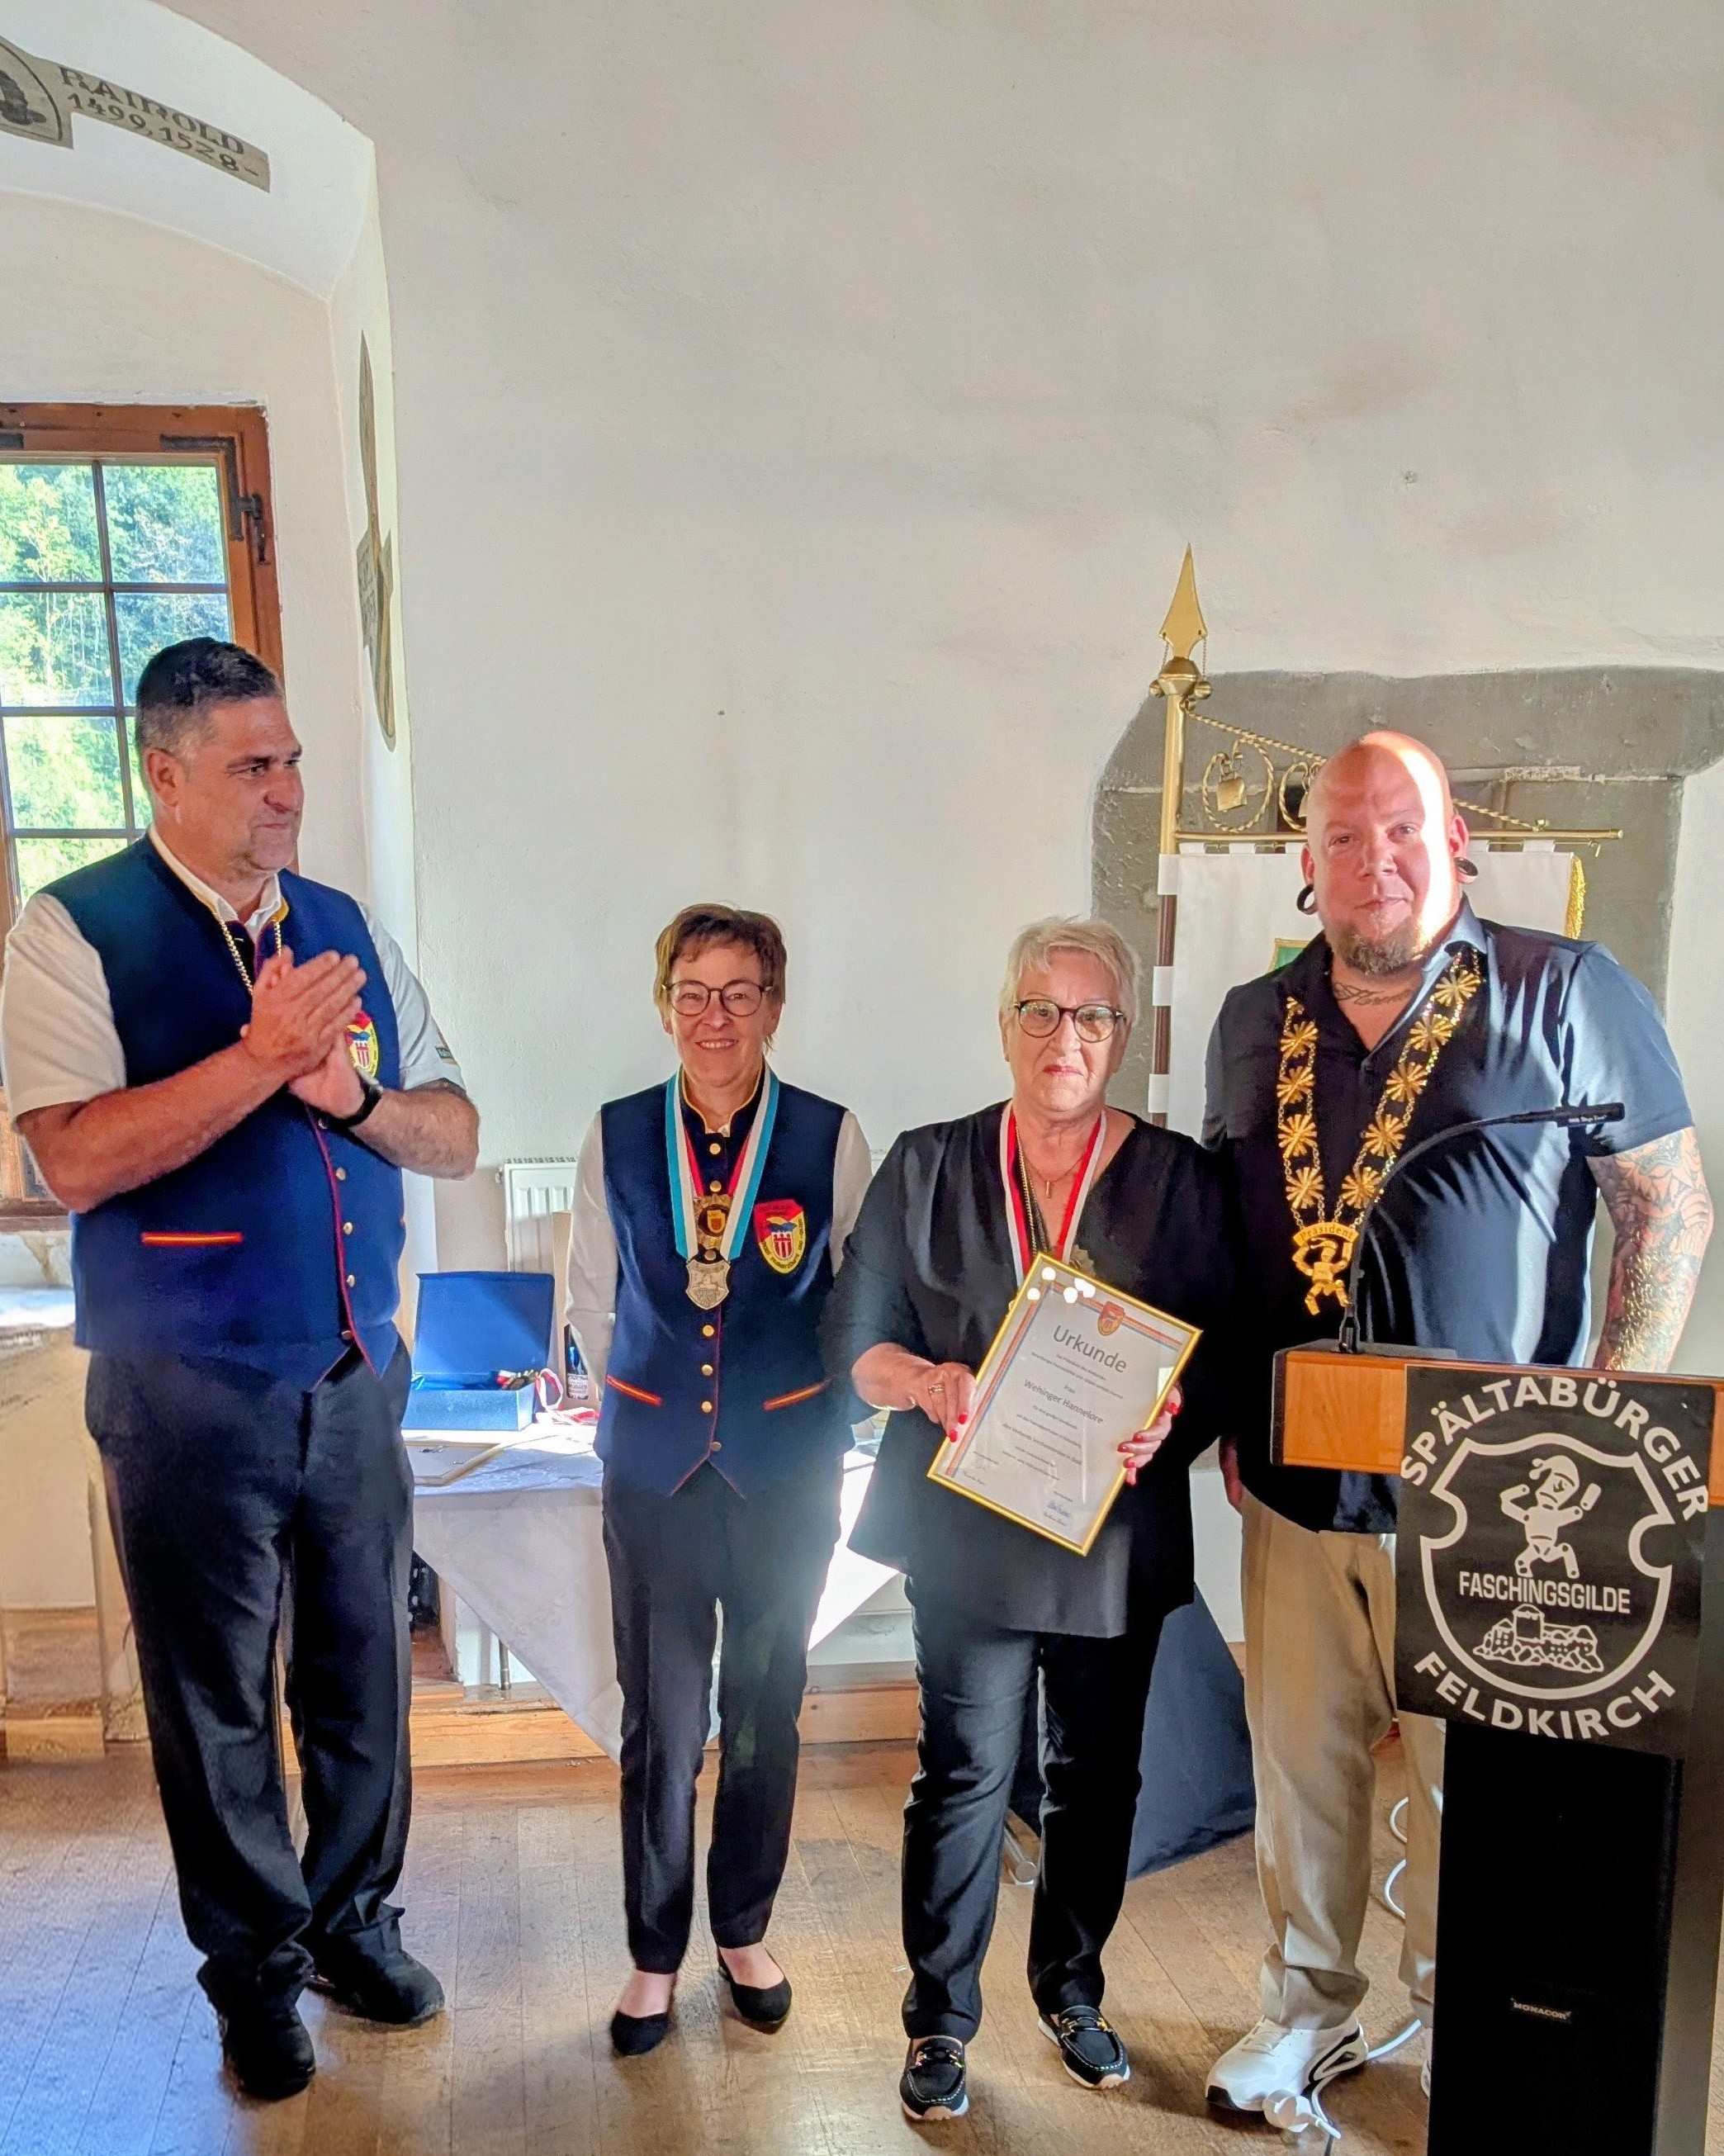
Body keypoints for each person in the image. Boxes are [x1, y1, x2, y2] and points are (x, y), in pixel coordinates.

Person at [1201, 729, 1712, 2116]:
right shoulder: (1252, 1017)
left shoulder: (1568, 989)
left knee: (1475, 1785)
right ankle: (1302, 2009)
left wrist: (1599, 1438)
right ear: (1307, 863)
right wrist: (1227, 1411)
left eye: (1403, 828)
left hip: (1493, 1494)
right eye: (1345, 835)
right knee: (1299, 1772)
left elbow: (1666, 1211)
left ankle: (1453, 2013)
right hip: (1296, 1478)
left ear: (1457, 843)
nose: (1376, 858)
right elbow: (1232, 1231)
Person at [0, 638, 480, 2100]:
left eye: (292, 762)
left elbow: (454, 1131)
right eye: (251, 767)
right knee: (214, 1702)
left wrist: (353, 1093)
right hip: (182, 1384)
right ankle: (255, 1975)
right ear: (164, 774)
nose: (286, 792)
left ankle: (353, 1926)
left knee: (362, 1678)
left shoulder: (345, 926)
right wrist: (264, 1058)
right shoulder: (71, 931)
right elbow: (72, 1161)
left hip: (353, 1370)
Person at [822, 917, 1245, 2125]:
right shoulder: (928, 1165)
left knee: (1097, 1779)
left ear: (1124, 1034)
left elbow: (1227, 1355)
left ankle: (1072, 1988)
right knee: (962, 1773)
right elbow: (856, 1346)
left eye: (1093, 1014)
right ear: (1005, 1025)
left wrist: (1178, 1416)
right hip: (969, 1534)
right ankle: (938, 2019)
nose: (1067, 1037)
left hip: (1113, 1541)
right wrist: (925, 1382)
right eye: (1041, 1011)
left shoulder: (1181, 1181)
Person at [566, 903, 872, 2056]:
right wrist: (642, 1408)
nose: (714, 1017)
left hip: (786, 1473)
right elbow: (593, 1298)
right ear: (664, 1008)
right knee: (660, 1720)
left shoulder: (830, 1136)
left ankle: (743, 1929)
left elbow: (856, 1299)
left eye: (739, 994)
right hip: (654, 1474)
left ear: (773, 1007)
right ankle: (654, 1953)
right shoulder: (615, 1133)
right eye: (692, 993)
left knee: (763, 1710)